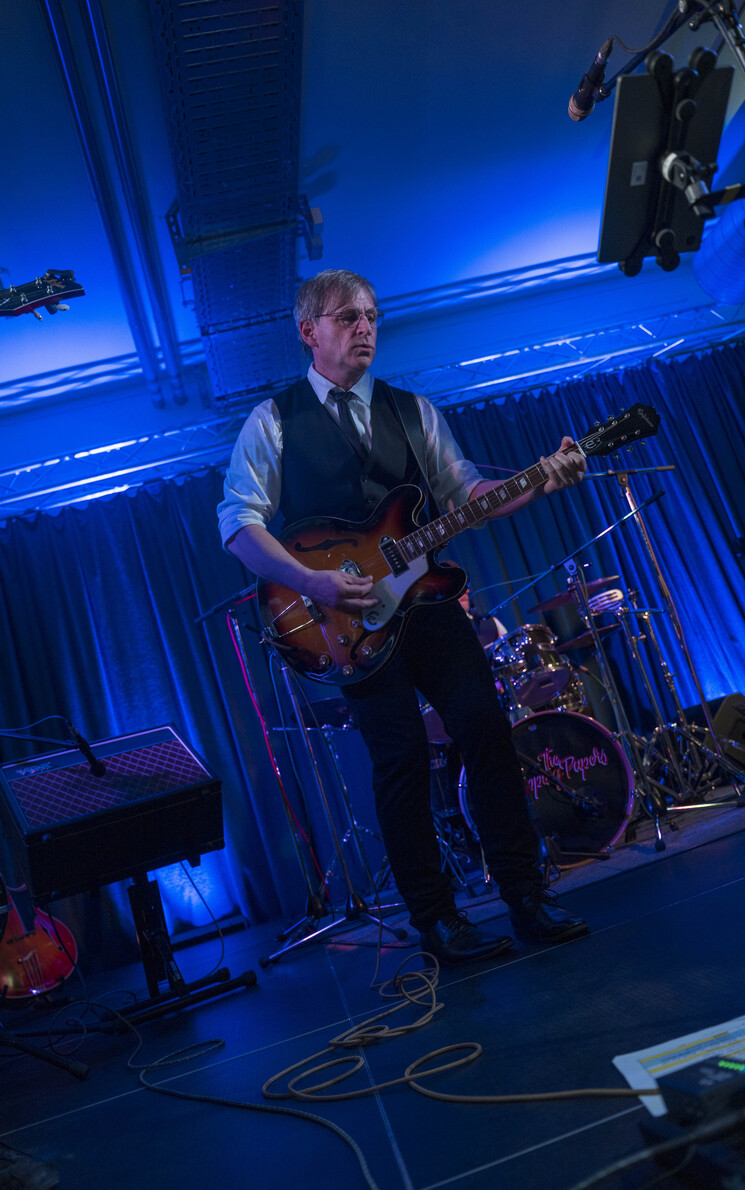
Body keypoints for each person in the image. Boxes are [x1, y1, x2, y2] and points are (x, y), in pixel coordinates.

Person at [217, 268, 589, 964]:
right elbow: (238, 525)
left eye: (371, 316)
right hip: (346, 623)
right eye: (347, 317)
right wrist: (311, 581)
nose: (365, 327)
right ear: (309, 331)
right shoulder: (272, 421)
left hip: (430, 606)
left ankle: (526, 894)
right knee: (401, 762)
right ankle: (438, 921)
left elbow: (467, 492)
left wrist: (540, 480)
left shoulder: (413, 410)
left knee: (487, 731)